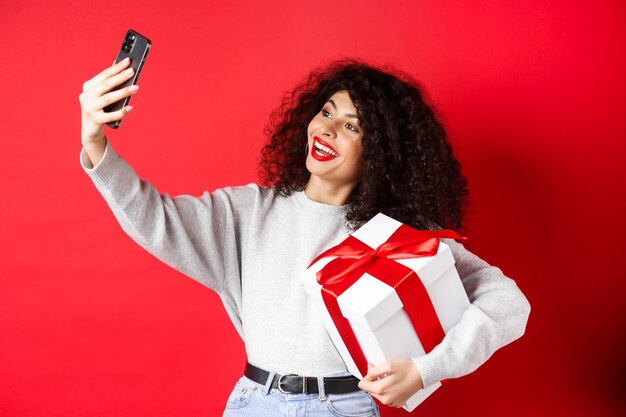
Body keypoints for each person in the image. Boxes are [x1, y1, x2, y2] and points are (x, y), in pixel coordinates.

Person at [79, 57, 531, 416]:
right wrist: (95, 140)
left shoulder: (399, 237)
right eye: (327, 112)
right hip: (253, 403)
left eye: (352, 126)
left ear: (381, 154)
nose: (328, 129)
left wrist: (426, 369)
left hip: (342, 407)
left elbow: (508, 305)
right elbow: (154, 219)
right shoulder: (249, 212)